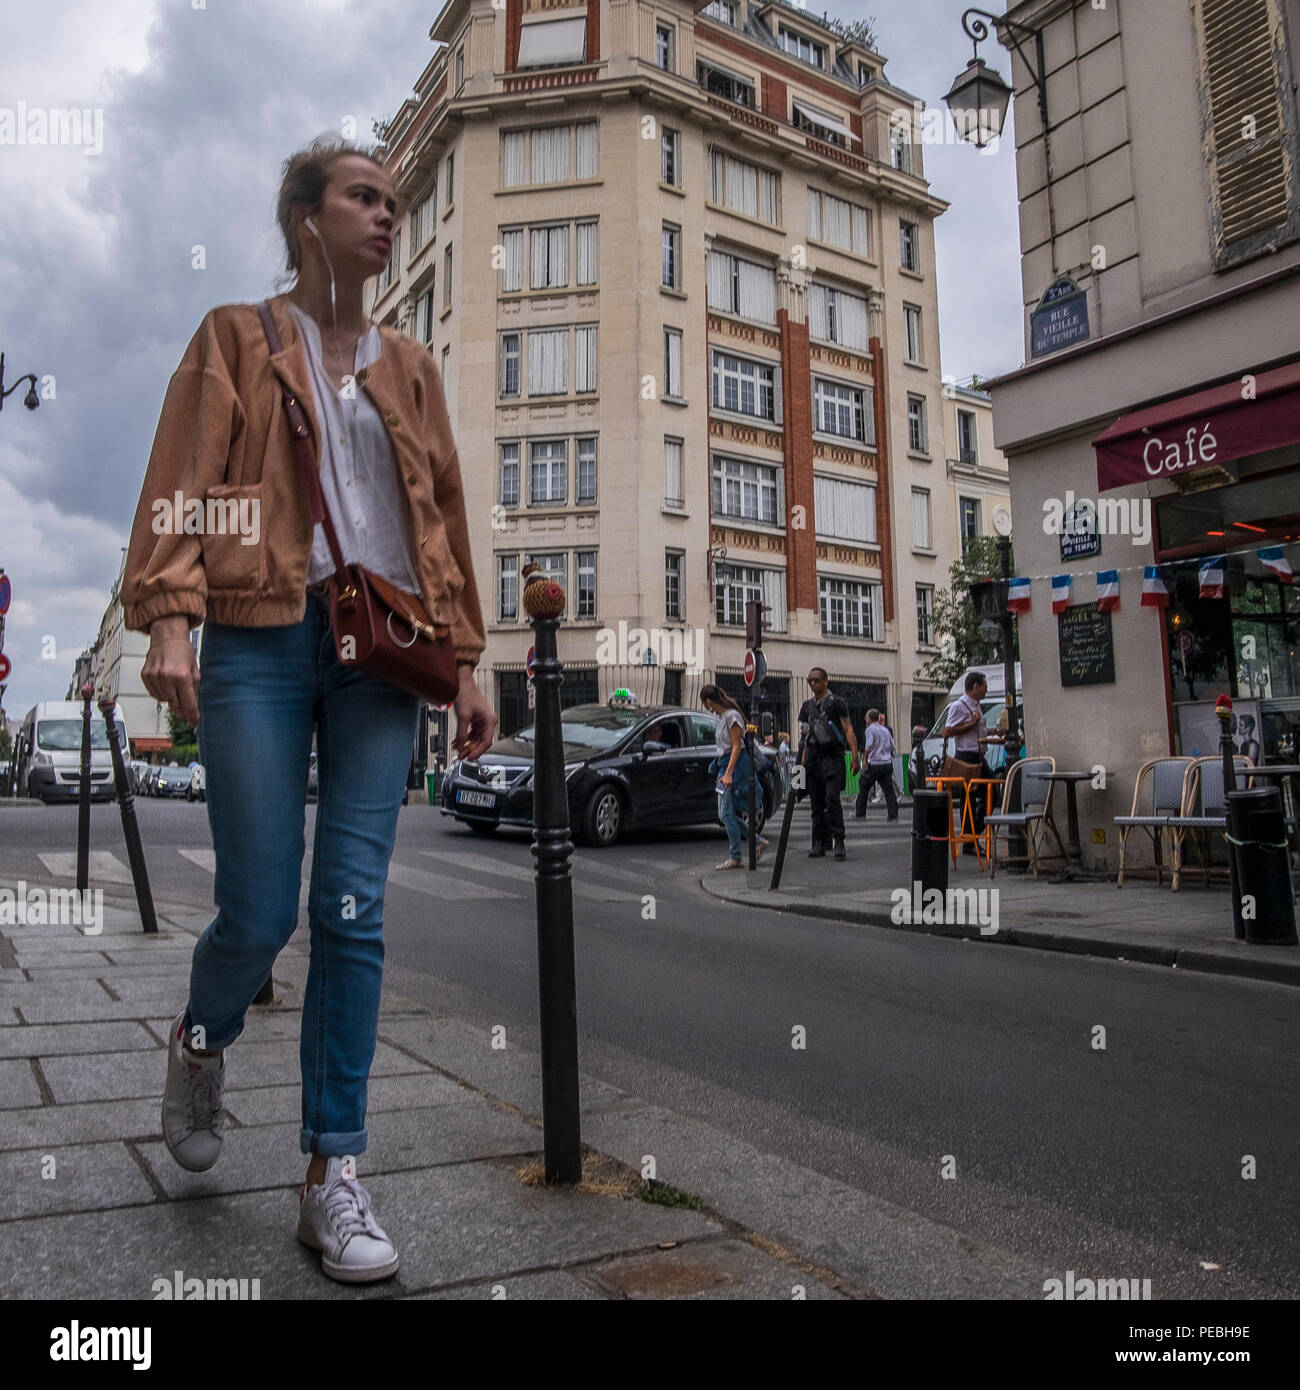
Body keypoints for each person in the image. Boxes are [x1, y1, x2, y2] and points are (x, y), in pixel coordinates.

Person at [120, 137, 497, 1284]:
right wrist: (171, 616)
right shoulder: (237, 336)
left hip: (384, 645)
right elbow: (184, 477)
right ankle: (200, 1037)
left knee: (351, 908)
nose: (386, 216)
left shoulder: (413, 364)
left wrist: (467, 659)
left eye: (393, 200)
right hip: (263, 629)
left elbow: (440, 510)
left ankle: (331, 1173)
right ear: (304, 218)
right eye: (363, 198)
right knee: (254, 905)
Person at [701, 685, 768, 869]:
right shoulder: (724, 717)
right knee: (724, 814)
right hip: (724, 766)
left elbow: (736, 746)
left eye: (705, 703)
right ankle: (756, 842)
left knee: (727, 814)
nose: (706, 707)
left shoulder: (732, 716)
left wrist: (729, 773)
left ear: (708, 701)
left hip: (732, 768)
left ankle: (736, 856)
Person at [797, 668, 860, 860]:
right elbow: (804, 737)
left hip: (832, 757)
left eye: (816, 680)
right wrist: (801, 764)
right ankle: (818, 842)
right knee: (816, 802)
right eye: (809, 681)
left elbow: (848, 729)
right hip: (813, 759)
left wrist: (855, 757)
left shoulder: (837, 703)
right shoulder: (807, 706)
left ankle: (838, 840)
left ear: (826, 681)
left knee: (832, 799)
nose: (812, 684)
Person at [944, 671, 994, 854]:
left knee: (991, 794)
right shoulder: (959, 706)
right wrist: (972, 724)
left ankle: (973, 833)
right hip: (966, 757)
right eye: (984, 687)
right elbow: (948, 731)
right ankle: (969, 839)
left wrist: (990, 732)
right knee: (969, 799)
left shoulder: (977, 706)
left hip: (979, 756)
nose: (986, 691)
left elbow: (977, 729)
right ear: (975, 687)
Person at [853, 709, 898, 821]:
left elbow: (868, 747)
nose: (866, 720)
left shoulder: (870, 730)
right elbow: (892, 747)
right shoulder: (885, 730)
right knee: (889, 790)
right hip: (886, 763)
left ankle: (860, 813)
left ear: (869, 718)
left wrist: (865, 761)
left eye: (866, 718)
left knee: (863, 787)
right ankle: (893, 814)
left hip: (874, 763)